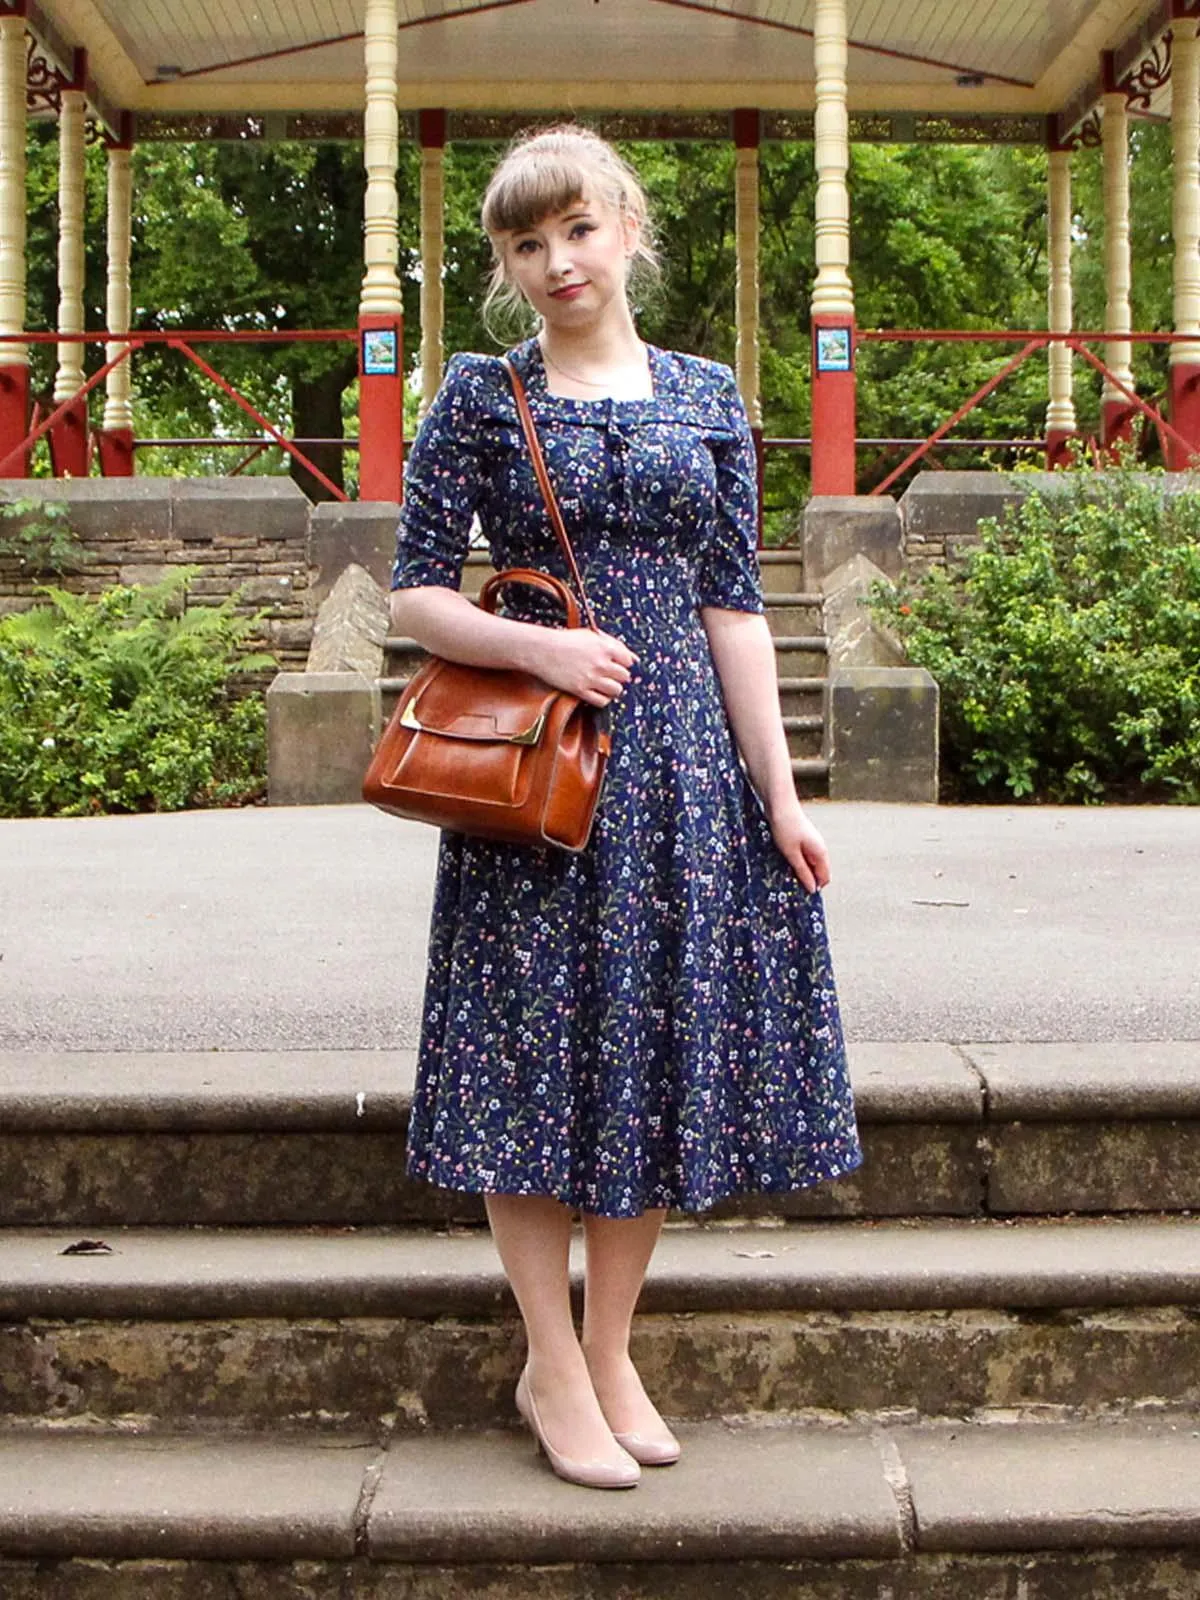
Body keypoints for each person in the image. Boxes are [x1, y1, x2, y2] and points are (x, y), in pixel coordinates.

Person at [389, 125, 861, 1490]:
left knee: (650, 1054)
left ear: (629, 228)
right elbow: (416, 587)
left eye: (577, 231)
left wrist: (781, 795)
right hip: (540, 778)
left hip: (682, 776)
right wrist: (532, 647)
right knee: (527, 1062)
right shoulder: (480, 398)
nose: (555, 263)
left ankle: (609, 1353)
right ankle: (547, 1360)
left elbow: (736, 604)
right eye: (526, 245)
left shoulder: (710, 395)